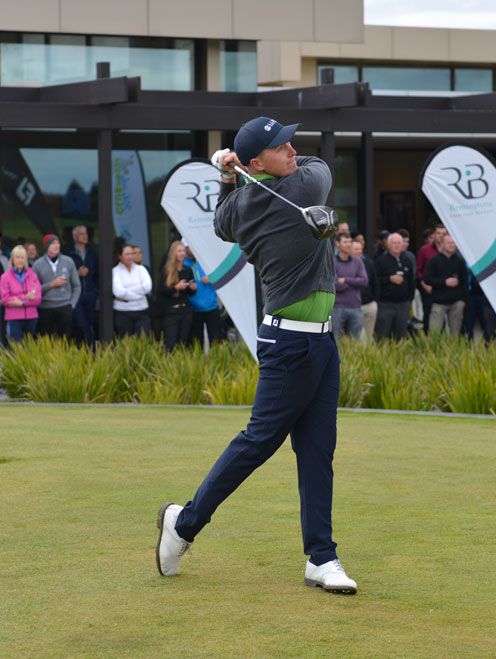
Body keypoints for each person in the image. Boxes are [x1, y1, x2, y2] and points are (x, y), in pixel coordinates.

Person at [157, 116, 357, 594]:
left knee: (317, 451)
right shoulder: (305, 184)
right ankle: (184, 523)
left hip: (320, 342)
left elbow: (221, 218)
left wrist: (227, 175)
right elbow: (318, 166)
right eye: (280, 146)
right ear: (257, 162)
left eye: (290, 142)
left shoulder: (240, 205)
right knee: (258, 441)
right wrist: (235, 172)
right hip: (290, 345)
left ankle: (321, 557)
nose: (292, 150)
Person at [33, 234, 80, 337]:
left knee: (65, 340)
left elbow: (77, 286)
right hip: (45, 308)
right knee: (45, 341)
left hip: (65, 307)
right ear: (46, 246)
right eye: (53, 243)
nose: (57, 245)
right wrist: (51, 284)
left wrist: (71, 305)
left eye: (58, 243)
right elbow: (34, 290)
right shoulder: (37, 264)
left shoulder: (68, 261)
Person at [424, 234, 467, 335]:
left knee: (455, 335)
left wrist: (463, 300)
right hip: (439, 303)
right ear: (442, 245)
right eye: (449, 243)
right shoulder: (434, 261)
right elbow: (427, 279)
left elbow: (464, 281)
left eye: (453, 243)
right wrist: (444, 282)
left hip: (456, 303)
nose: (452, 245)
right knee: (434, 334)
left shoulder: (460, 261)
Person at [374, 233, 415, 340]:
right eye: (394, 243)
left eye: (399, 243)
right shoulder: (380, 261)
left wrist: (409, 299)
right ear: (388, 245)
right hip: (385, 304)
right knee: (383, 335)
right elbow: (375, 281)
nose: (397, 245)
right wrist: (389, 279)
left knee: (401, 335)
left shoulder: (407, 260)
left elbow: (412, 281)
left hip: (403, 304)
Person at [158, 240, 196, 351]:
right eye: (179, 251)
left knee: (184, 342)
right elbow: (161, 291)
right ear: (173, 253)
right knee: (171, 343)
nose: (182, 253)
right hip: (171, 312)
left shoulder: (187, 270)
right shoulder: (166, 271)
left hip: (185, 310)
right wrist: (176, 288)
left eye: (183, 251)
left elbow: (190, 293)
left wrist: (192, 288)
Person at [0, 244, 42, 342]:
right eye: (17, 257)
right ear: (12, 259)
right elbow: (5, 299)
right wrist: (26, 297)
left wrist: (22, 303)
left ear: (26, 259)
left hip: (31, 317)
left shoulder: (33, 275)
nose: (20, 260)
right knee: (15, 347)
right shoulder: (5, 277)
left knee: (29, 346)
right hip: (14, 317)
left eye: (22, 257)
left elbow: (38, 299)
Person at [185, 246, 225, 347]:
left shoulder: (206, 259)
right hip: (193, 307)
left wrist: (211, 278)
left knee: (215, 339)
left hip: (211, 306)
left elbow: (222, 274)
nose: (190, 250)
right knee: (197, 341)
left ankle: (216, 357)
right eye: (187, 247)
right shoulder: (183, 262)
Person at [331, 232, 367, 339]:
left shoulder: (358, 261)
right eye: (345, 242)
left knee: (354, 343)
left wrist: (345, 280)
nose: (348, 244)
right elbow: (334, 285)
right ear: (337, 244)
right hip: (337, 308)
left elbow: (364, 281)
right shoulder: (332, 261)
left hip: (355, 307)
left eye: (350, 242)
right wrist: (354, 281)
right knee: (336, 341)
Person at [68, 224, 98, 347]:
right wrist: (77, 273)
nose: (85, 236)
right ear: (75, 237)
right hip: (76, 294)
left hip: (90, 293)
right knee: (80, 323)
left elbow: (98, 272)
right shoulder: (68, 253)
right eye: (81, 234)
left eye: (86, 233)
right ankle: (93, 347)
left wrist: (96, 290)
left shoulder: (93, 252)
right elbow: (63, 274)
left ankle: (81, 349)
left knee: (88, 322)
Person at [112, 244, 152, 336]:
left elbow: (147, 287)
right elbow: (118, 292)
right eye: (127, 254)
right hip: (123, 312)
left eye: (132, 253)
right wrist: (140, 293)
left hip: (142, 311)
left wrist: (127, 293)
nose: (130, 256)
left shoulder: (141, 269)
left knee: (144, 340)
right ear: (120, 256)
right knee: (126, 341)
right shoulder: (115, 271)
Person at [415, 225, 444, 334]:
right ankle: (428, 341)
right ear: (434, 235)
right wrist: (424, 284)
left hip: (445, 290)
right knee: (428, 316)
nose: (441, 236)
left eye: (443, 233)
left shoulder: (449, 249)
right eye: (438, 233)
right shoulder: (425, 250)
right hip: (429, 289)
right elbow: (418, 270)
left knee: (444, 319)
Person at [351, 233, 379, 342]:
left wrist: (374, 299)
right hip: (354, 307)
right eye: (356, 249)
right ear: (350, 250)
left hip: (369, 304)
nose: (359, 251)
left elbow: (375, 283)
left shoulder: (368, 263)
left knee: (369, 337)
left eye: (360, 249)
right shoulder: (345, 264)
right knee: (360, 339)